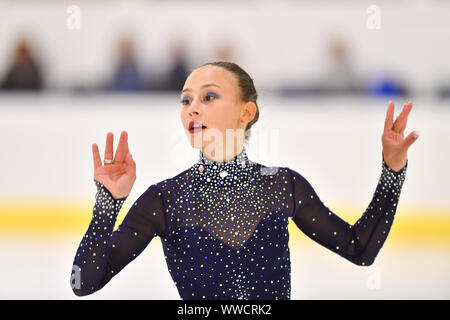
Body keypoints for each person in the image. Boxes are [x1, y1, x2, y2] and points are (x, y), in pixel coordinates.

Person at [70, 61, 419, 299]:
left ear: (246, 112)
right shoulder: (164, 201)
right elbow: (84, 284)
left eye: (209, 96)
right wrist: (107, 205)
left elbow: (360, 250)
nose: (192, 108)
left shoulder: (282, 186)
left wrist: (392, 172)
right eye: (186, 100)